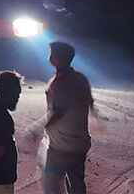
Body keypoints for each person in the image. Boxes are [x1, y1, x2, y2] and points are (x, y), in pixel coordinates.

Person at [36, 41, 93, 194]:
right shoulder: (80, 78)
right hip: (80, 142)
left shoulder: (58, 82)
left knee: (51, 185)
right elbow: (90, 102)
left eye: (50, 53)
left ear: (54, 58)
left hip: (61, 145)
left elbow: (57, 112)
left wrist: (37, 127)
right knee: (76, 181)